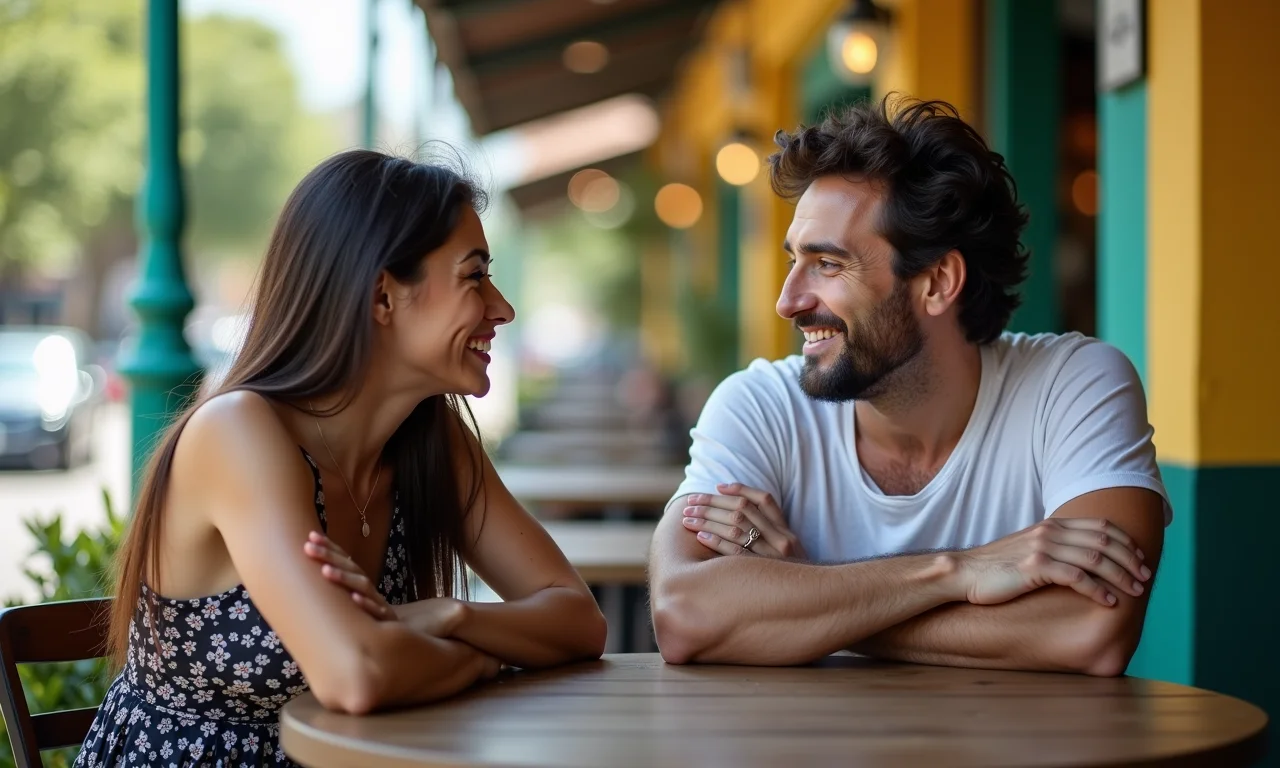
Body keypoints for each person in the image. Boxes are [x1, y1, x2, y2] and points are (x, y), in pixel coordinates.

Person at [76, 150, 607, 767]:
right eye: (474, 276)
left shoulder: (431, 441)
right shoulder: (239, 432)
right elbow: (356, 674)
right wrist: (483, 654)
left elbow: (578, 623)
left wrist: (448, 615)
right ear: (383, 295)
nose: (502, 308)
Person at [647, 97, 1170, 676]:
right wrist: (957, 571)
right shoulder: (760, 407)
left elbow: (1089, 631)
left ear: (938, 281)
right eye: (795, 259)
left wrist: (805, 596)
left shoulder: (1072, 386)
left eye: (828, 264)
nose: (788, 300)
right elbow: (684, 613)